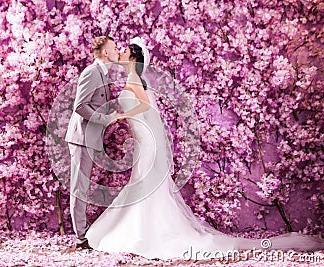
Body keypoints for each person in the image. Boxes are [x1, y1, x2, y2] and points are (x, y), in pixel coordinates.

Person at [84, 37, 324, 260]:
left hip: (145, 146)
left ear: (134, 58)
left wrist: (121, 116)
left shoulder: (135, 81)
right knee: (142, 187)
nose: (121, 52)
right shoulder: (132, 80)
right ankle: (143, 228)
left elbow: (145, 106)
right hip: (142, 144)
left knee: (144, 187)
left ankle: (145, 232)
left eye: (125, 50)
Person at [64, 36, 119, 249]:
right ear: (105, 52)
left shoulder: (102, 74)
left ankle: (82, 234)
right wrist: (105, 119)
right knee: (79, 187)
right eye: (114, 48)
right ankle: (81, 238)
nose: (117, 51)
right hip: (81, 138)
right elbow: (80, 106)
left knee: (83, 186)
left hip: (89, 138)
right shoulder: (92, 72)